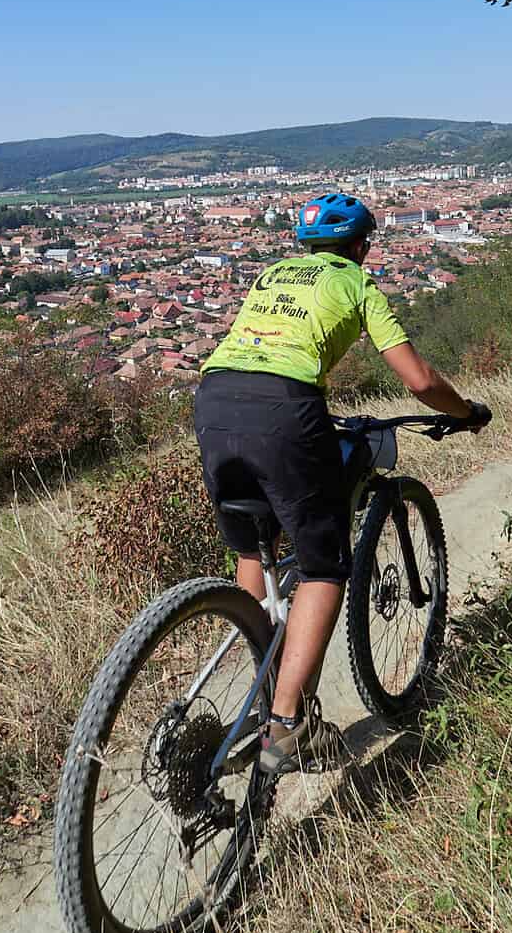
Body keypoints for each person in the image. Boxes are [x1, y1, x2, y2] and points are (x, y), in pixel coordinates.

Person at [194, 191, 489, 776]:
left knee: (255, 542)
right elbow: (419, 380)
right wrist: (463, 412)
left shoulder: (273, 274)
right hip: (286, 408)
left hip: (213, 401)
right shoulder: (357, 284)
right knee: (326, 567)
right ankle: (286, 726)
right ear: (360, 247)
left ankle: (263, 679)